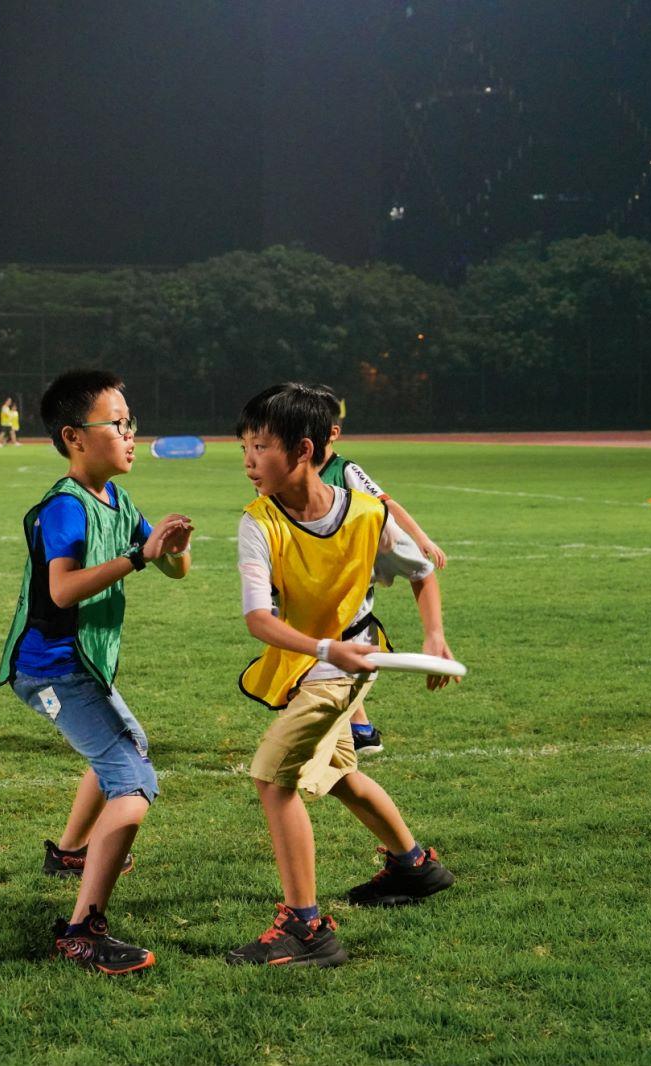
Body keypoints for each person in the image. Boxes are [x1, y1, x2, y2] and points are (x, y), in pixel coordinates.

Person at [225, 382, 456, 969]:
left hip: (344, 666)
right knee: (334, 773)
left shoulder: (368, 513)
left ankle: (306, 928)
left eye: (261, 448)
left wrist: (434, 636)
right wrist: (325, 645)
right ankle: (414, 866)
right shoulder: (257, 523)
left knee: (273, 779)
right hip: (318, 660)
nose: (249, 462)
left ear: (302, 450)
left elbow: (422, 572)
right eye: (244, 449)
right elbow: (258, 620)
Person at [0, 369, 193, 975]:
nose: (131, 434)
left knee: (126, 749)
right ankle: (81, 931)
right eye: (118, 423)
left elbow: (171, 570)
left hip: (82, 665)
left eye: (130, 423)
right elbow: (60, 592)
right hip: (52, 669)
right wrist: (139, 555)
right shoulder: (64, 506)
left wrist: (171, 547)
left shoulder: (118, 498)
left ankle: (71, 852)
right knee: (133, 787)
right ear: (75, 437)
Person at [316, 394, 447, 755]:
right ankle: (360, 729)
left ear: (332, 434)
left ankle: (356, 731)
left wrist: (420, 538)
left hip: (351, 581)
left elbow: (386, 504)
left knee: (327, 648)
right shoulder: (295, 478)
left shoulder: (345, 470)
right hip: (324, 581)